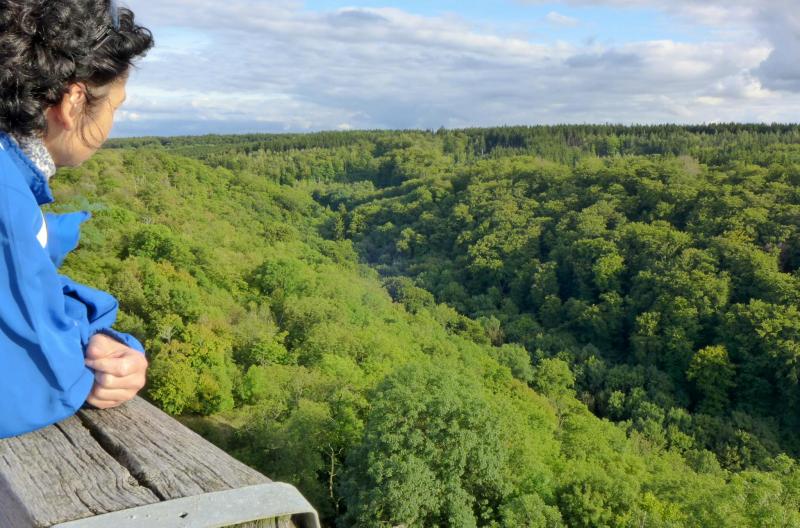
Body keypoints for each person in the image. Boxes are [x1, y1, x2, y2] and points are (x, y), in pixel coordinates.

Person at [0, 0, 154, 438]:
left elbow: (27, 286)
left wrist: (95, 333)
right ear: (74, 101)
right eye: (115, 106)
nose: (112, 123)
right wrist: (104, 353)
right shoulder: (6, 198)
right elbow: (42, 381)